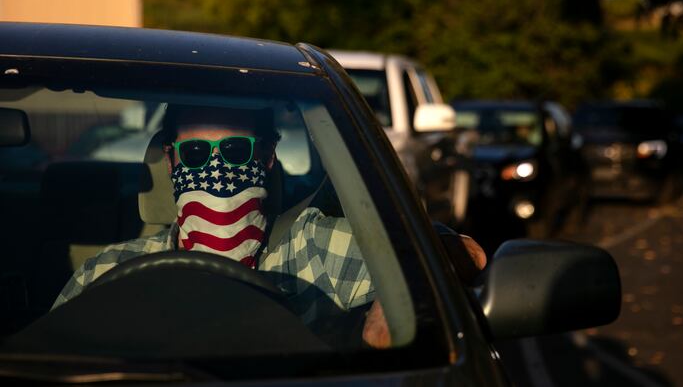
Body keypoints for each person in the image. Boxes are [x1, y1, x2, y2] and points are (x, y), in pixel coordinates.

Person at [53, 105, 485, 349]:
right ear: (171, 161)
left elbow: (460, 253)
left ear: (267, 157)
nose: (217, 169)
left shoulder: (318, 248)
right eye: (197, 153)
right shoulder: (107, 271)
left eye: (237, 150)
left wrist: (389, 313)